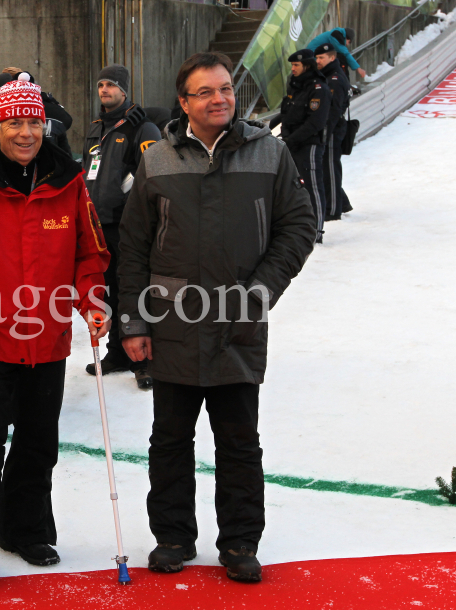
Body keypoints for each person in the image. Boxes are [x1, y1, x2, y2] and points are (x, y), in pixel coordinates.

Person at [117, 52, 316, 584]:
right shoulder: (157, 158)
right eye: (205, 92)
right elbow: (132, 249)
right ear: (184, 103)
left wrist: (261, 290)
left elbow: (299, 225)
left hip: (237, 326)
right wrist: (133, 324)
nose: (219, 99)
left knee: (238, 441)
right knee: (170, 441)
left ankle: (240, 542)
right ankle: (173, 536)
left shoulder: (269, 153)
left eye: (225, 88)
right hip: (173, 326)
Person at [0, 79, 110, 586]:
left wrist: (92, 302)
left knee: (38, 441)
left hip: (47, 339)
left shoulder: (69, 179)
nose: (26, 132)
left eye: (34, 122)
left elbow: (89, 253)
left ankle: (25, 527)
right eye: (15, 122)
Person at [82, 64, 161, 389]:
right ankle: (117, 353)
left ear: (125, 90)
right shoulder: (96, 127)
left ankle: (143, 362)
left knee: (135, 291)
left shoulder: (141, 127)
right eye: (101, 84)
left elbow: (155, 171)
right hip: (99, 224)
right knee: (110, 291)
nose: (104, 90)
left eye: (111, 85)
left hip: (129, 225)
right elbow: (88, 170)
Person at [280, 48, 329, 244]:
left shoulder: (318, 88)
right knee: (291, 187)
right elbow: (286, 113)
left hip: (308, 144)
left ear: (306, 65)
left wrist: (291, 140)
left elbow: (315, 122)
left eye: (296, 65)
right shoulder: (295, 86)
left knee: (312, 186)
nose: (292, 69)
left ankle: (316, 230)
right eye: (291, 65)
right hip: (291, 143)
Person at [315, 42, 350, 222]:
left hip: (332, 130)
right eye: (317, 57)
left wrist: (325, 131)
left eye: (322, 58)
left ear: (332, 58)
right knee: (326, 168)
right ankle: (341, 202)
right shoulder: (327, 75)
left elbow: (333, 110)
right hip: (328, 129)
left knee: (330, 168)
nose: (318, 61)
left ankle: (334, 209)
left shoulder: (335, 78)